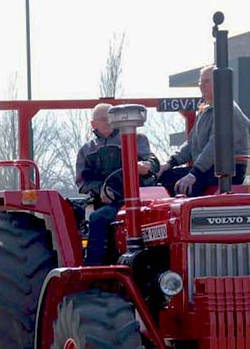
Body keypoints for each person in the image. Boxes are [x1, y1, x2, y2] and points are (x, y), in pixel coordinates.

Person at [75, 103, 159, 266]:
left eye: (110, 118)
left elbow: (151, 161)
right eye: (103, 119)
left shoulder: (136, 139)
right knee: (97, 218)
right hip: (107, 203)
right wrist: (101, 190)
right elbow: (82, 182)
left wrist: (146, 166)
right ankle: (95, 267)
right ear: (93, 124)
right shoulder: (86, 151)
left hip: (138, 198)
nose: (108, 122)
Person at [159, 65, 250, 196]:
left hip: (227, 171)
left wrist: (194, 174)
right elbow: (190, 145)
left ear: (220, 83)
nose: (202, 85)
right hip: (206, 169)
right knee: (165, 177)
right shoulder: (204, 111)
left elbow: (215, 147)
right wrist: (168, 163)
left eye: (206, 81)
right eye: (200, 82)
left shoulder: (228, 110)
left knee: (182, 185)